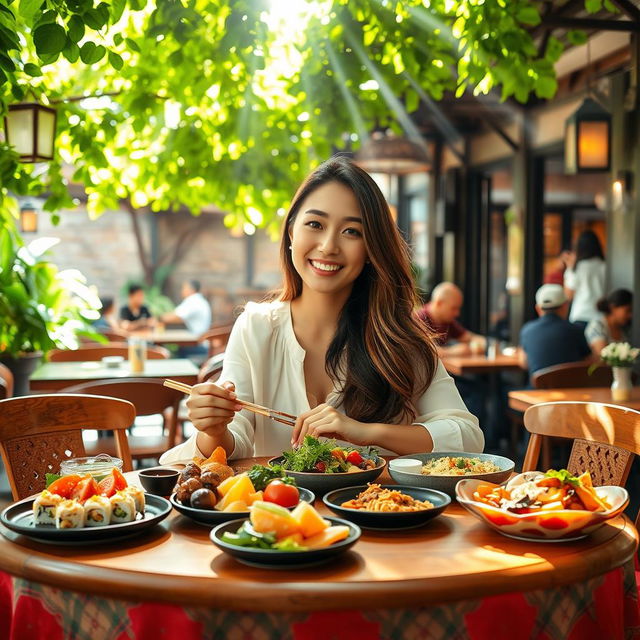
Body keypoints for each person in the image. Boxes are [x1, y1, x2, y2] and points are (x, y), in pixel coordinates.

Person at [160, 157, 482, 463]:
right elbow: (237, 438)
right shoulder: (257, 327)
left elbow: (467, 435)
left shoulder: (396, 337)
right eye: (315, 223)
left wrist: (365, 432)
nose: (329, 245)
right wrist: (213, 429)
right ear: (290, 232)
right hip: (281, 517)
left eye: (352, 231)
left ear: (371, 249)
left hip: (377, 513)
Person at [518, 284, 592, 378]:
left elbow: (524, 363)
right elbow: (588, 361)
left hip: (537, 390)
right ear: (565, 306)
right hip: (571, 389)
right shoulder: (576, 330)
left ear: (538, 308)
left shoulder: (527, 330)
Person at [416, 282, 485, 355]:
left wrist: (482, 343)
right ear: (439, 303)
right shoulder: (418, 319)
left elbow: (470, 337)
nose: (457, 313)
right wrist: (453, 351)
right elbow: (422, 351)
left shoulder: (447, 321)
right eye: (454, 308)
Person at [563, 230, 606, 328]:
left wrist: (569, 268)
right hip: (600, 316)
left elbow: (568, 295)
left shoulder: (577, 268)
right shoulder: (605, 266)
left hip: (581, 314)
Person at [161, 280, 212, 358]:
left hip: (198, 346)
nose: (182, 291)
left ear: (191, 289)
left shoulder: (193, 300)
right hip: (201, 343)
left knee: (172, 353)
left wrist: (158, 319)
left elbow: (176, 316)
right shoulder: (200, 300)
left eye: (184, 288)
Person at [585, 288, 633, 357]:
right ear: (613, 307)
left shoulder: (626, 328)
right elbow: (603, 356)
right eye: (628, 310)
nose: (630, 315)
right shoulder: (597, 326)